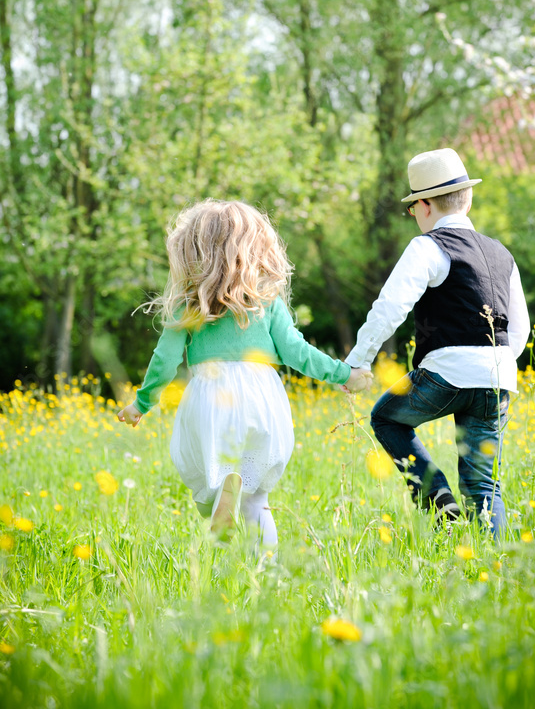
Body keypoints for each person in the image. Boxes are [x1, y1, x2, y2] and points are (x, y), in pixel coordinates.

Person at [117, 198, 372, 550]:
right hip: (261, 398)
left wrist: (142, 404)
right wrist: (344, 374)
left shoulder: (190, 304)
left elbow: (165, 360)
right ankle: (265, 570)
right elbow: (297, 353)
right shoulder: (267, 301)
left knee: (209, 481)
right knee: (257, 499)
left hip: (210, 399)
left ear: (192, 252)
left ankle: (222, 499)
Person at [345, 149, 529, 538]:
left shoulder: (427, 247)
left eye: (412, 208)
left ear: (425, 205)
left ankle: (437, 498)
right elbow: (520, 329)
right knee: (484, 484)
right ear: (468, 198)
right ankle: (493, 565)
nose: (414, 215)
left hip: (444, 374)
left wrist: (358, 361)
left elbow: (389, 308)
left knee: (386, 418)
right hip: (498, 377)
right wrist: (490, 365)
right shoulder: (503, 253)